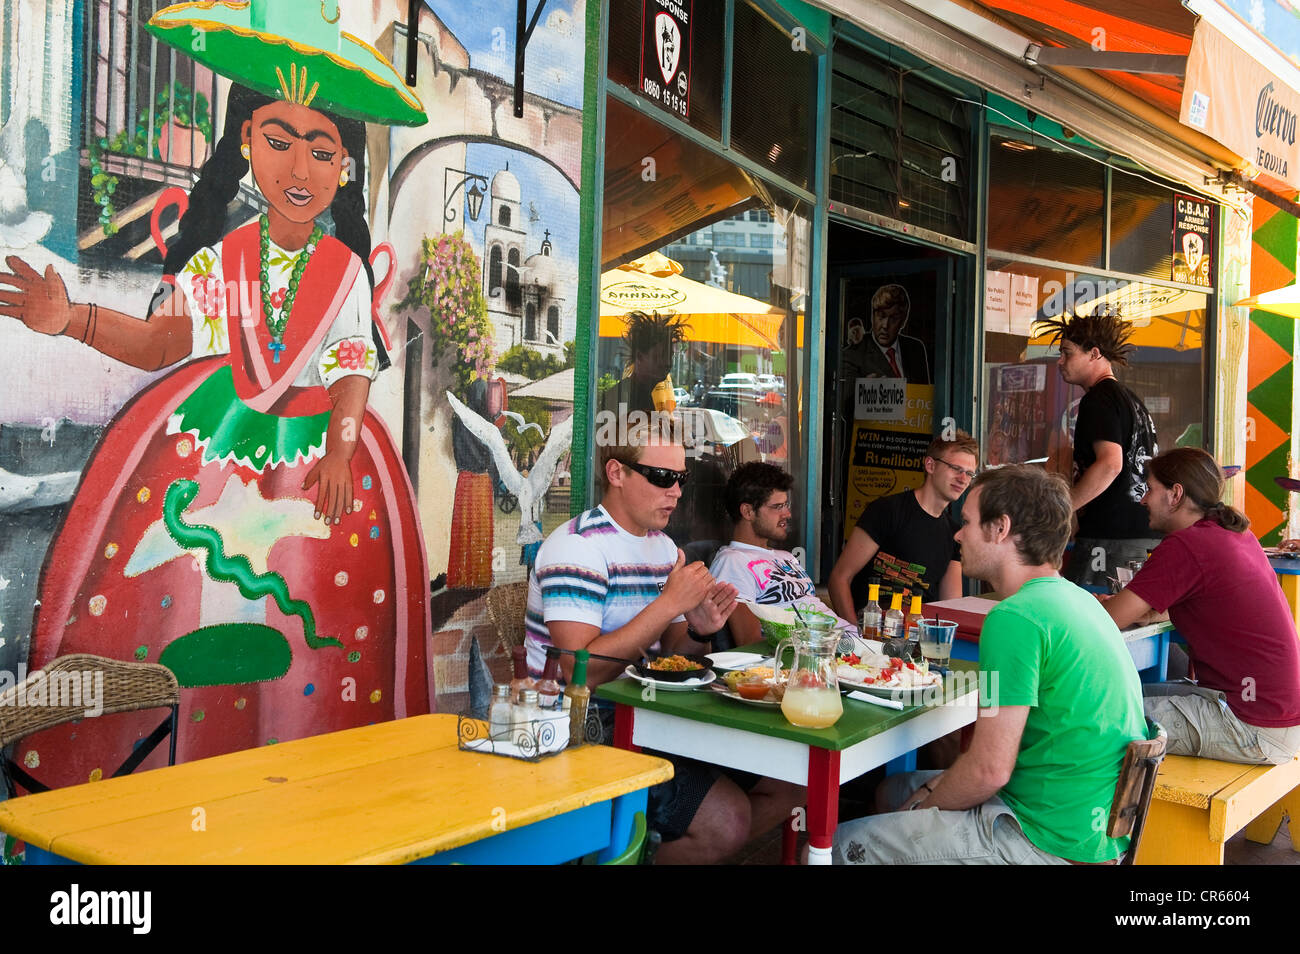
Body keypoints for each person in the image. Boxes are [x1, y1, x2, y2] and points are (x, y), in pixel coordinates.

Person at [0, 1, 431, 788]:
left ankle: (312, 787)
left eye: (321, 151)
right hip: (210, 448)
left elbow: (352, 368)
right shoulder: (220, 259)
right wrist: (73, 320)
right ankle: (188, 783)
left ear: (343, 168)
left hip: (318, 469)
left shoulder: (343, 270)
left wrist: (341, 450)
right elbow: (161, 343)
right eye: (279, 142)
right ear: (247, 144)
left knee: (315, 632)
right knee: (185, 620)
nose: (298, 171)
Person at [833, 465, 1147, 865]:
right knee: (891, 790)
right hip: (1092, 826)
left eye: (966, 522)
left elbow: (989, 771)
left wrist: (919, 811)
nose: (957, 535)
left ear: (1000, 528)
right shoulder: (1080, 599)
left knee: (832, 848)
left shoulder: (1015, 618)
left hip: (1045, 840)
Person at [525, 422, 801, 863]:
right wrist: (669, 602)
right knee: (727, 821)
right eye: (661, 477)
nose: (675, 491)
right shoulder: (577, 548)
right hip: (585, 725)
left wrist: (698, 629)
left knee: (792, 783)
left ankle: (646, 849)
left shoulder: (663, 548)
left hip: (656, 714)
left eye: (681, 478)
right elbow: (581, 672)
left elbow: (672, 655)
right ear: (616, 473)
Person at [1102, 448, 1300, 764]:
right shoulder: (1234, 533)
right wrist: (1147, 612)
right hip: (1275, 717)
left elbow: (1105, 621)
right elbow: (1213, 601)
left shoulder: (1185, 545)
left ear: (1175, 494)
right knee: (1126, 696)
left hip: (1252, 726)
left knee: (1096, 713)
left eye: (1150, 489)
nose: (1143, 500)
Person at [1034, 309, 1159, 588]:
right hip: (1141, 532)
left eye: (1067, 353)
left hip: (1111, 538)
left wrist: (1063, 509)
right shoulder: (1130, 400)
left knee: (1086, 608)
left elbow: (1110, 464)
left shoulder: (1099, 399)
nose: (1060, 361)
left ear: (1094, 354)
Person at [828, 431, 974, 622]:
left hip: (918, 634)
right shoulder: (887, 510)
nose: (963, 479)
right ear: (930, 465)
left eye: (969, 473)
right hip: (872, 631)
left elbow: (950, 608)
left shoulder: (954, 533)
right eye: (956, 468)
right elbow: (839, 578)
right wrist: (854, 633)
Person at [710, 462, 856, 645]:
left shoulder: (786, 557)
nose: (787, 514)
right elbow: (750, 642)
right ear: (748, 511)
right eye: (777, 506)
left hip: (852, 644)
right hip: (821, 652)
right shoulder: (732, 561)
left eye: (786, 504)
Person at [850, 284, 930, 384]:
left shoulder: (916, 349)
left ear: (903, 321)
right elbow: (845, 392)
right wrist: (863, 388)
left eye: (893, 318)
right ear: (872, 317)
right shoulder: (853, 353)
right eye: (881, 316)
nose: (885, 325)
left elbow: (923, 392)